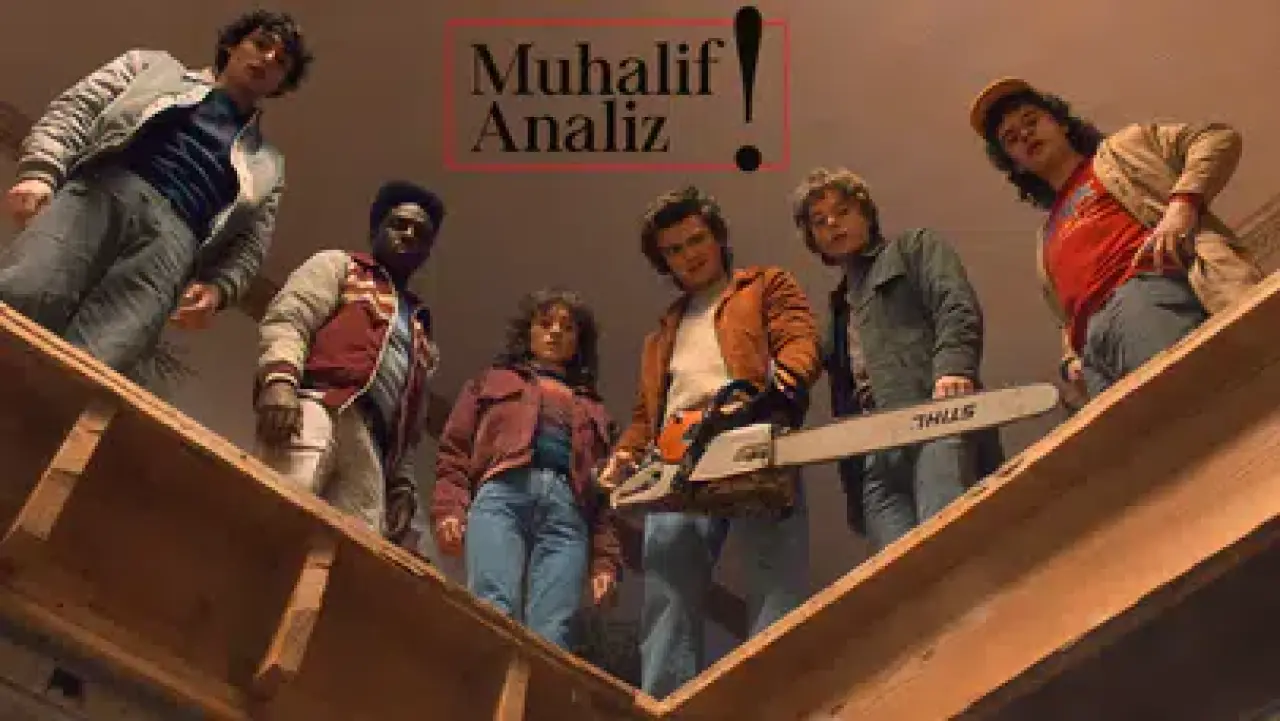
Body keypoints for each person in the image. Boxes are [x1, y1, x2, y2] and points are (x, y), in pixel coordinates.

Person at [596, 186, 821, 698]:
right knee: (668, 589)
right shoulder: (661, 336)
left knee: (774, 579)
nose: (689, 255)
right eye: (674, 250)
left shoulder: (763, 285)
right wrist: (626, 453)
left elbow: (799, 338)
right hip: (676, 453)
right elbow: (646, 414)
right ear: (664, 262)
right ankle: (666, 701)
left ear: (717, 238)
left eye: (696, 240)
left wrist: (784, 384)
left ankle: (775, 700)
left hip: (749, 433)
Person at [0, 10, 312, 378]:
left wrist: (219, 288)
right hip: (99, 193)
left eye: (282, 62)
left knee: (100, 358)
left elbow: (250, 245)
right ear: (232, 45)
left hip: (173, 248)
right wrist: (40, 172)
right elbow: (77, 109)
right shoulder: (150, 67)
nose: (268, 59)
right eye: (261, 44)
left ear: (282, 83)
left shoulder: (269, 165)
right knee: (24, 291)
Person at [969, 77, 1261, 399]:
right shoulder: (1044, 240)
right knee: (1158, 431)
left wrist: (1182, 207)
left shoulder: (1123, 151)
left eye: (1031, 120)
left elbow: (1215, 138)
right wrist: (1071, 360)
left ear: (1061, 124)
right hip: (1094, 359)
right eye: (1011, 139)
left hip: (1145, 298)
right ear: (1016, 164)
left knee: (1191, 404)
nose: (1025, 135)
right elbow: (1065, 317)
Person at [790, 167, 1004, 552]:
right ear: (813, 239)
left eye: (842, 211)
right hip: (874, 448)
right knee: (897, 568)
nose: (833, 224)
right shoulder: (837, 311)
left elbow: (955, 306)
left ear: (866, 213)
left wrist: (954, 368)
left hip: (932, 417)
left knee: (947, 541)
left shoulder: (914, 249)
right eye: (819, 221)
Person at [431, 289, 622, 651]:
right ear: (528, 332)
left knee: (554, 630)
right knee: (491, 605)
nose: (555, 332)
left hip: (568, 512)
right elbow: (454, 450)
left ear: (579, 341)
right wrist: (449, 508)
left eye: (567, 327)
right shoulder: (491, 381)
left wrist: (605, 563)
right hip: (502, 492)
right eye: (545, 323)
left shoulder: (596, 411)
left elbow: (604, 498)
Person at [254, 181, 445, 544]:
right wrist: (279, 381)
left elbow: (411, 425)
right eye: (399, 225)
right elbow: (290, 319)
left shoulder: (421, 330)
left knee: (352, 556)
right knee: (276, 518)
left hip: (373, 446)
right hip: (316, 408)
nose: (408, 235)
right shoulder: (340, 266)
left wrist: (401, 484)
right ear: (375, 231)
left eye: (420, 233)